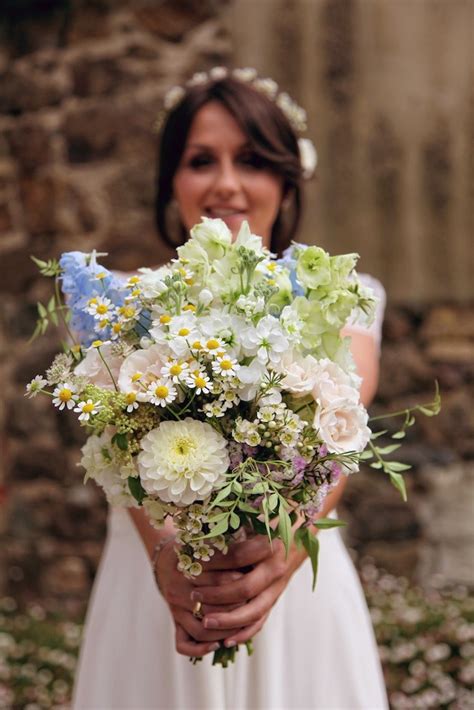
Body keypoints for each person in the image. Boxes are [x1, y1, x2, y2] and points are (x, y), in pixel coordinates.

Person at [72, 68, 388, 709]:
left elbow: (339, 432)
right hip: (151, 588)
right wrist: (168, 561)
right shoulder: (114, 304)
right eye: (200, 160)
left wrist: (277, 568)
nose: (225, 182)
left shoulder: (346, 302)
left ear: (286, 178)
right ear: (172, 182)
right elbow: (114, 439)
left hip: (294, 586)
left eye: (250, 160)